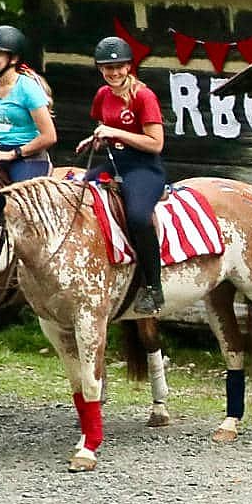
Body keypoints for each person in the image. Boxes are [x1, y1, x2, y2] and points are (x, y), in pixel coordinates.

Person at [82, 35, 167, 314]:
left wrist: (115, 133)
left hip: (144, 167)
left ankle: (153, 287)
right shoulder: (102, 95)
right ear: (100, 68)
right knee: (76, 192)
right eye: (108, 68)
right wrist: (97, 139)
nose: (115, 72)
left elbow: (156, 143)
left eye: (120, 66)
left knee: (139, 217)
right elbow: (104, 125)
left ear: (129, 66)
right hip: (115, 163)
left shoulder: (143, 96)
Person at [0, 25, 58, 185]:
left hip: (30, 157)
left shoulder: (27, 88)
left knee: (18, 198)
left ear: (14, 59)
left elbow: (49, 136)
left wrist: (13, 154)